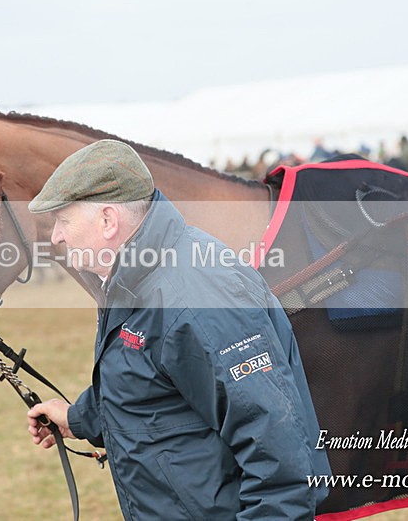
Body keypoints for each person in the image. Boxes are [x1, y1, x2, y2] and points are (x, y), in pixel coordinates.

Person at [25, 140, 330, 519]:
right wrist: (78, 418)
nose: (56, 236)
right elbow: (149, 389)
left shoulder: (197, 296)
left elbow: (281, 460)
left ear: (107, 221)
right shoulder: (135, 280)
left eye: (64, 221)